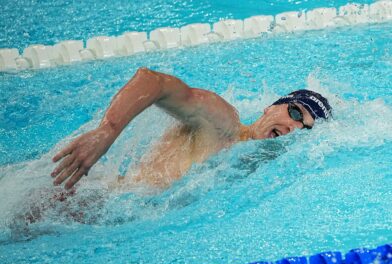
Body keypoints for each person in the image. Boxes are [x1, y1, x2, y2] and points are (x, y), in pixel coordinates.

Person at [51, 67, 332, 190]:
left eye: (304, 128)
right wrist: (107, 130)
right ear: (270, 107)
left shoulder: (251, 170)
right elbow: (153, 82)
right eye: (296, 112)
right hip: (76, 196)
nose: (294, 127)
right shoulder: (222, 123)